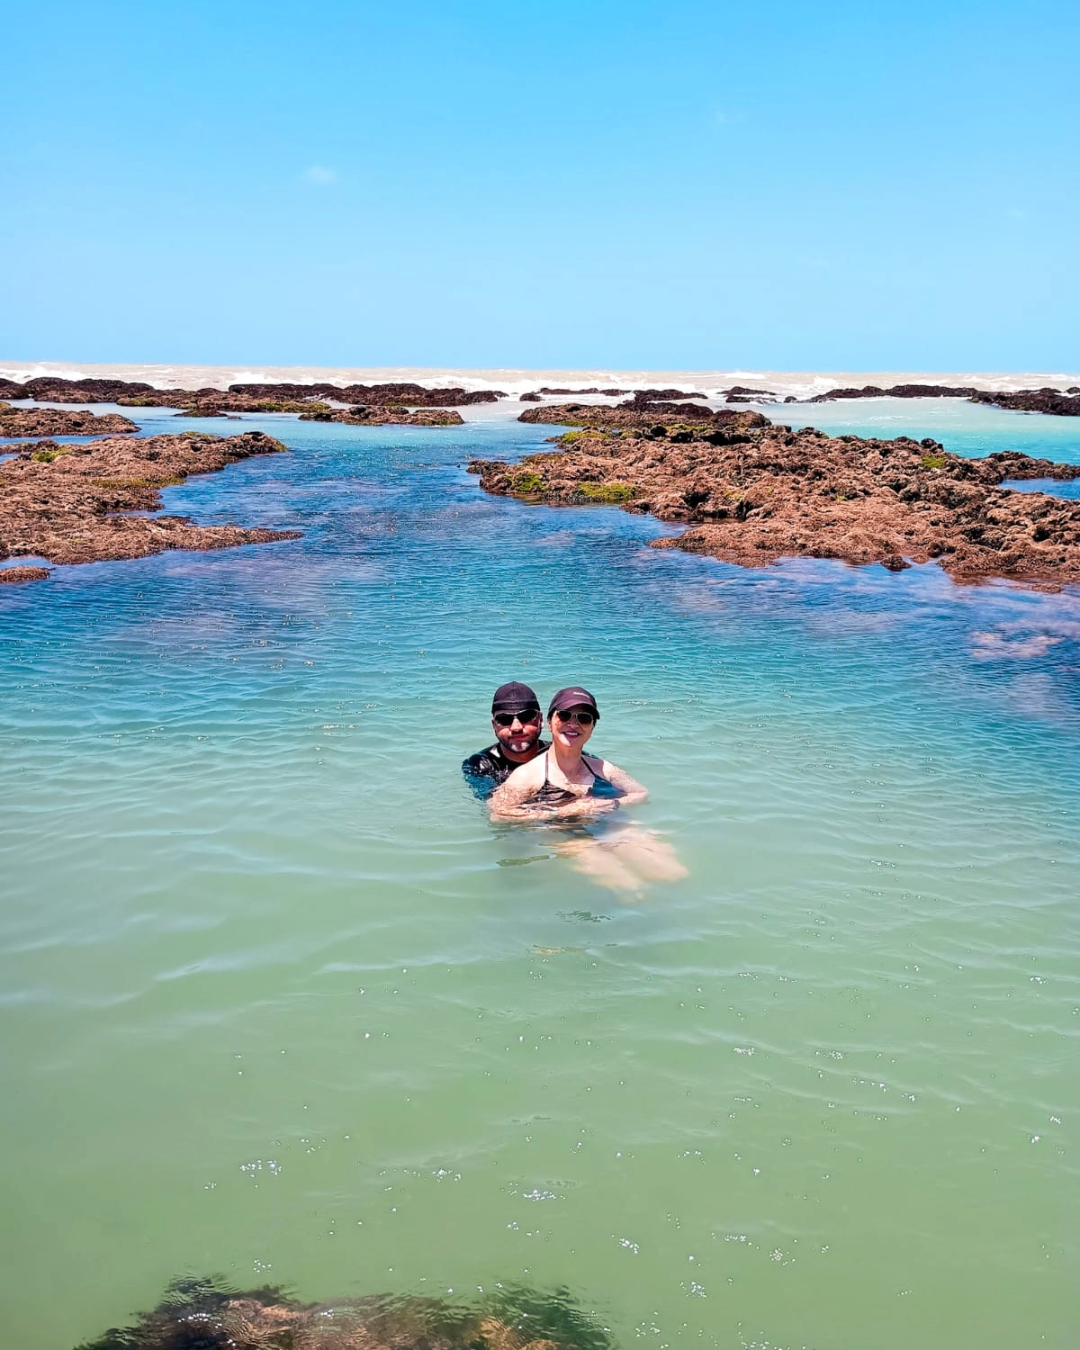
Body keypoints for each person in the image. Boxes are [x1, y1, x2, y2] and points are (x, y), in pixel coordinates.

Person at [489, 686, 647, 821]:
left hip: (605, 824)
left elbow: (641, 793)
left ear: (592, 728)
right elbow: (498, 814)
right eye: (564, 715)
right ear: (549, 723)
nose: (573, 724)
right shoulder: (527, 776)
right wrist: (564, 811)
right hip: (559, 834)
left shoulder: (603, 768)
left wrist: (612, 803)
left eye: (584, 718)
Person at [462, 681, 549, 799]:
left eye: (526, 717)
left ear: (540, 720)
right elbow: (499, 810)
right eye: (505, 719)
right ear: (494, 726)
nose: (516, 727)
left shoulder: (564, 757)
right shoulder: (480, 765)